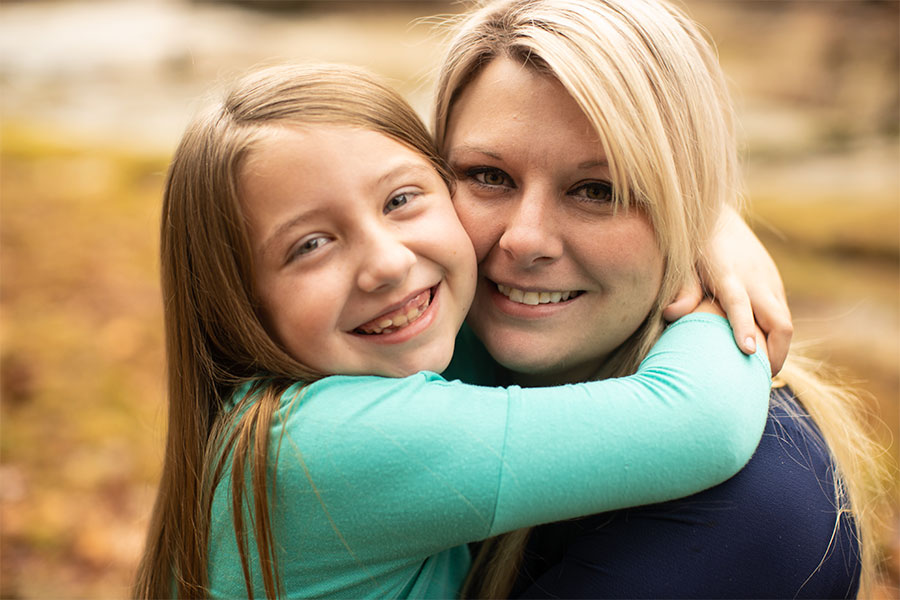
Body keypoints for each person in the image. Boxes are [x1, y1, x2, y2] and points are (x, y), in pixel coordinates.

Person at [131, 63, 776, 599]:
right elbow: (700, 422)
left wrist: (698, 215)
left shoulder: (337, 376)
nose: (387, 264)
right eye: (311, 244)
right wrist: (714, 283)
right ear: (234, 298)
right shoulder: (328, 447)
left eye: (400, 199)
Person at [432, 0, 888, 597]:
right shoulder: (398, 341)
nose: (525, 239)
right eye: (489, 176)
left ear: (685, 208)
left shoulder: (741, 515)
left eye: (599, 190)